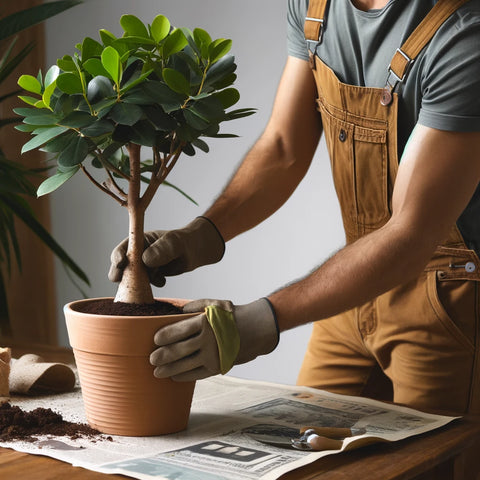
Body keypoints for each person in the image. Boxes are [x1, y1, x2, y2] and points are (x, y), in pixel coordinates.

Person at [110, 0, 480, 421]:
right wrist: (204, 234)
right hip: (356, 286)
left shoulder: (464, 36)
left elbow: (410, 236)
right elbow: (284, 147)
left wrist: (258, 322)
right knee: (300, 445)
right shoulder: (315, 6)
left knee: (429, 463)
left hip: (447, 303)